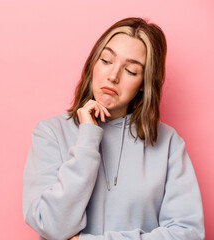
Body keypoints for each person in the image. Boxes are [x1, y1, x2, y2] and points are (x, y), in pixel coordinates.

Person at [22, 17, 205, 240]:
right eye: (106, 60)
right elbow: (51, 225)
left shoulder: (168, 143)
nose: (113, 76)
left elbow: (188, 233)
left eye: (130, 71)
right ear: (92, 65)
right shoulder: (50, 132)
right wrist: (88, 138)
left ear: (143, 85)